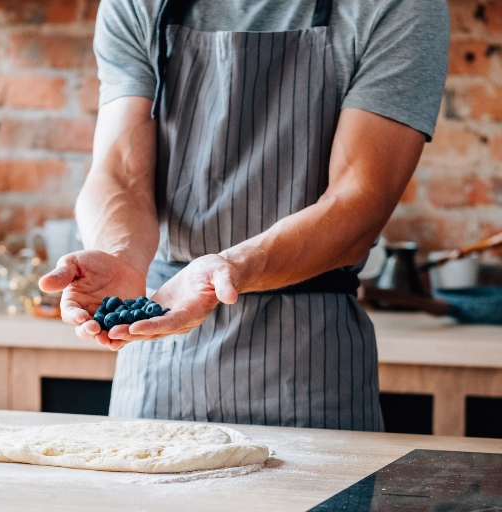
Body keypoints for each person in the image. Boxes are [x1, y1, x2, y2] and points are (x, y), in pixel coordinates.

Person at [39, 0, 449, 431]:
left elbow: (359, 201)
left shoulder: (399, 6)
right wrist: (120, 254)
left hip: (312, 374)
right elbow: (119, 170)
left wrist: (232, 268)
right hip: (156, 357)